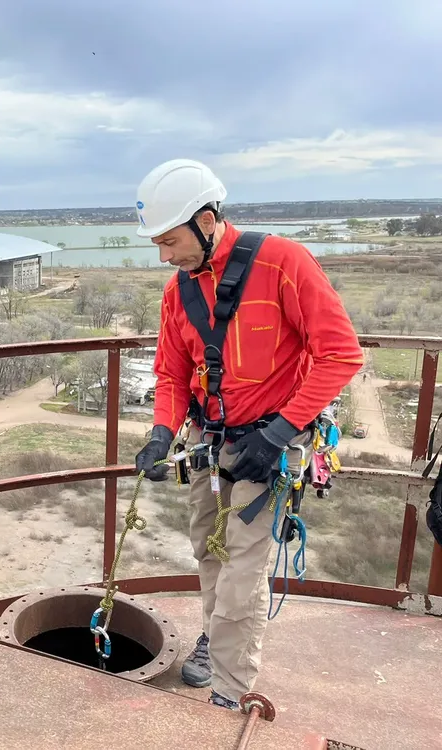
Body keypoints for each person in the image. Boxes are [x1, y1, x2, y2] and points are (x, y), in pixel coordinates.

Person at [132, 159, 363, 710]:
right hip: (210, 441)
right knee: (207, 548)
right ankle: (216, 635)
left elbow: (340, 354)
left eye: (170, 242)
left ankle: (229, 691)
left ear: (207, 221)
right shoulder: (178, 292)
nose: (165, 257)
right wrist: (163, 434)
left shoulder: (284, 263)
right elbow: (169, 373)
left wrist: (281, 431)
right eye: (159, 245)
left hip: (269, 444)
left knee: (242, 563)